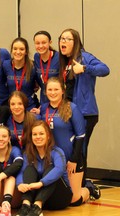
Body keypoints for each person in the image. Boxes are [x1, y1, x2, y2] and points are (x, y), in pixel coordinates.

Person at [58, 28, 110, 187]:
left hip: (85, 112)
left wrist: (85, 68)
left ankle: (82, 185)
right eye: (62, 39)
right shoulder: (63, 61)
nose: (63, 42)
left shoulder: (85, 57)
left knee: (81, 149)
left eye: (68, 39)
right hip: (68, 112)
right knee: (72, 148)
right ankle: (74, 183)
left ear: (76, 42)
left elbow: (105, 69)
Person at [39, 77, 97, 205]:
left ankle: (89, 188)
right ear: (45, 91)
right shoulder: (43, 109)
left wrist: (74, 160)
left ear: (63, 91)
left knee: (74, 200)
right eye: (50, 89)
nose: (53, 92)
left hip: (71, 159)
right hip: (52, 159)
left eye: (56, 89)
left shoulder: (72, 108)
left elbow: (81, 136)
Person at [16, 120, 72, 216]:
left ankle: (38, 207)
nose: (38, 137)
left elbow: (59, 169)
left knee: (51, 168)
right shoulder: (28, 154)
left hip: (59, 197)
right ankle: (25, 205)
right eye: (35, 134)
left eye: (41, 134)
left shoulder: (57, 152)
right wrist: (20, 184)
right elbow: (21, 171)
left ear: (48, 136)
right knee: (29, 169)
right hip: (39, 195)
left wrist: (41, 183)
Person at [0, 125, 23, 216]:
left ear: (9, 138)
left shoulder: (14, 150)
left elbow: (18, 163)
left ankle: (6, 205)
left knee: (10, 173)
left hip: (13, 196)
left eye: (4, 136)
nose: (1, 139)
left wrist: (0, 177)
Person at [3, 37, 39, 110]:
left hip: (29, 107)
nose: (18, 52)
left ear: (26, 51)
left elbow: (41, 84)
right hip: (12, 107)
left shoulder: (33, 66)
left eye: (21, 49)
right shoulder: (5, 65)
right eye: (15, 49)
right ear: (12, 50)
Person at [33, 31, 59, 105]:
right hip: (44, 99)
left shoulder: (59, 57)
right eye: (37, 43)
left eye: (44, 43)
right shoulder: (36, 57)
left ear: (50, 42)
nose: (40, 46)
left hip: (58, 99)